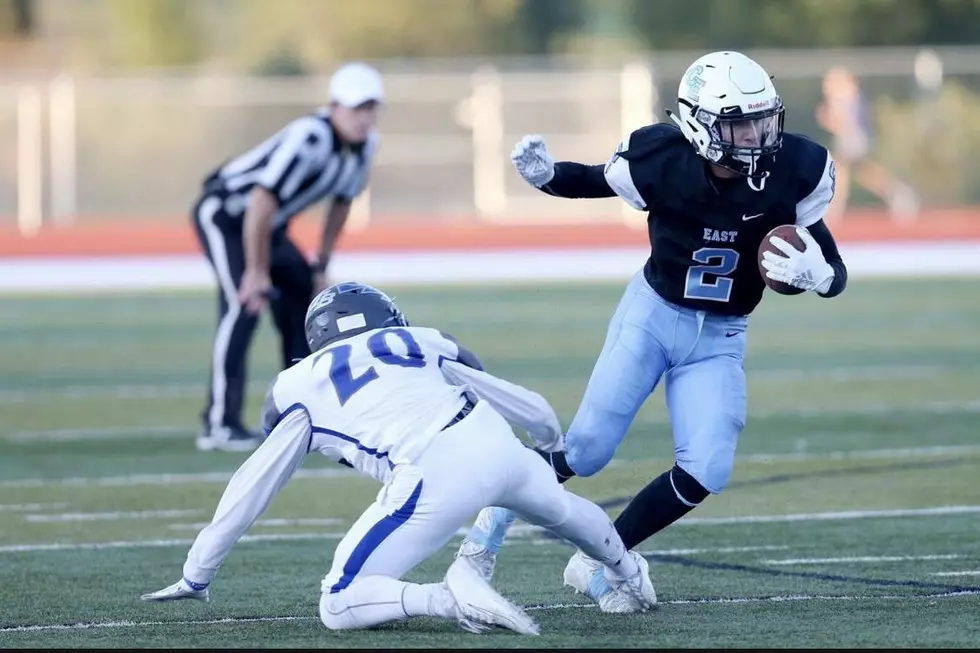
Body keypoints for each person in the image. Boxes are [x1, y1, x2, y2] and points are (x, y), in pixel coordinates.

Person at [454, 51, 850, 604]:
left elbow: (835, 271)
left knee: (707, 467)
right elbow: (593, 180)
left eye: (763, 120)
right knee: (588, 449)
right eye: (740, 124)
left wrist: (820, 276)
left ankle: (602, 560)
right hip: (654, 314)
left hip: (721, 336)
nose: (757, 136)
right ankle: (493, 517)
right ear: (699, 125)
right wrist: (547, 179)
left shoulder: (797, 170)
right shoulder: (662, 159)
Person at [140, 282, 657, 635]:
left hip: (432, 471)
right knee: (566, 514)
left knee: (338, 601)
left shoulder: (298, 383)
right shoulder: (424, 339)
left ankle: (452, 598)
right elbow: (521, 402)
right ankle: (631, 574)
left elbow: (254, 484)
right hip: (498, 442)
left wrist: (198, 570)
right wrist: (546, 438)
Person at [191, 62, 382, 452]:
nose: (363, 118)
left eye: (370, 108)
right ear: (334, 107)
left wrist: (320, 266)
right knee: (243, 305)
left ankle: (299, 414)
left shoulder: (366, 147)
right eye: (355, 108)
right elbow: (260, 201)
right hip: (228, 214)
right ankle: (219, 423)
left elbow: (341, 205)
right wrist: (256, 272)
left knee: (305, 305)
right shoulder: (310, 136)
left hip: (268, 226)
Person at [814, 66, 919, 222]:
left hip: (854, 139)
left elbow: (841, 122)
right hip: (853, 139)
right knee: (863, 173)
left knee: (840, 171)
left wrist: (828, 116)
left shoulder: (846, 97)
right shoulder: (846, 98)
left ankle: (835, 207)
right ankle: (897, 192)